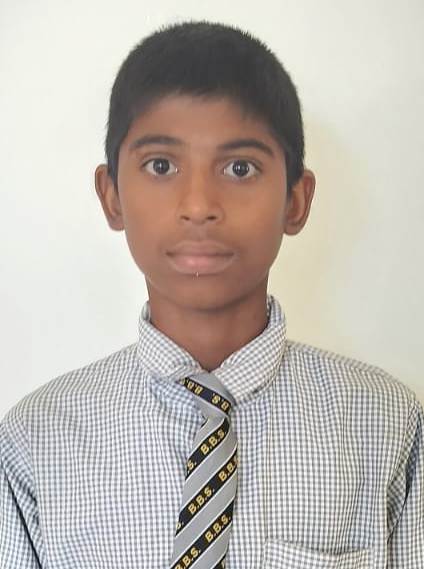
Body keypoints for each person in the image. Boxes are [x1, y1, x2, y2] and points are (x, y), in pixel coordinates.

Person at [1, 20, 422, 569]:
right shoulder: (35, 444)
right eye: (161, 165)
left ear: (296, 201)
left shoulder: (387, 426)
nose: (199, 205)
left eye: (240, 168)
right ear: (112, 196)